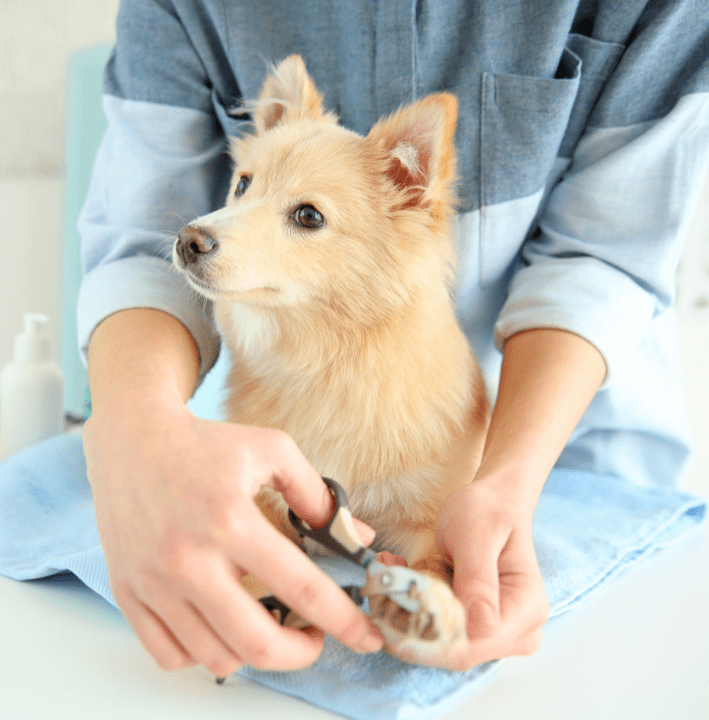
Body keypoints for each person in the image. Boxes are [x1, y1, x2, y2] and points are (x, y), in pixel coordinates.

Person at [78, 0, 709, 676]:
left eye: (306, 215)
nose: (215, 225)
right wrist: (135, 427)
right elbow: (145, 242)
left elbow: (601, 257)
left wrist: (502, 484)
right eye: (244, 185)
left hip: (587, 466)